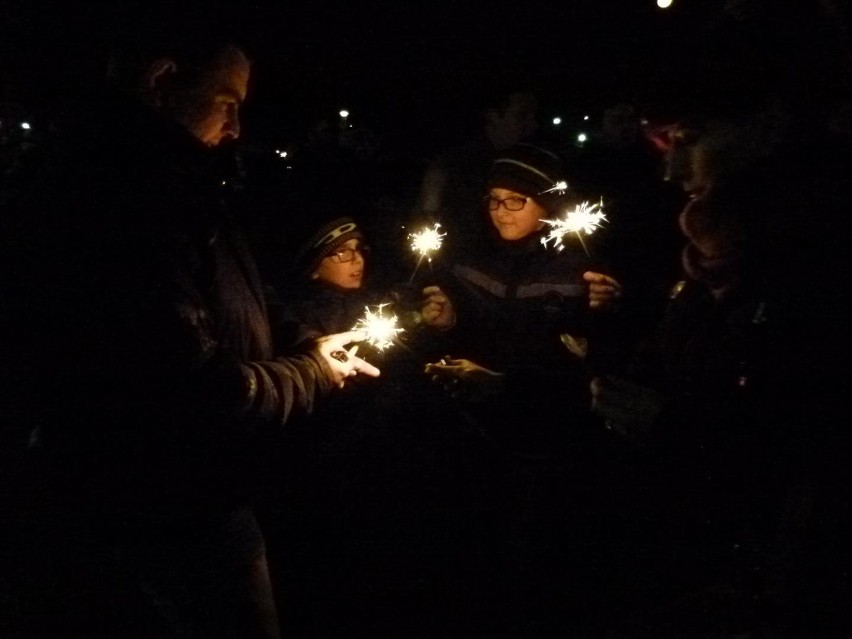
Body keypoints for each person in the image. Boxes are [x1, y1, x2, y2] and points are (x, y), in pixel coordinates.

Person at [0, 26, 378, 639]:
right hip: (165, 508)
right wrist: (312, 373)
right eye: (227, 104)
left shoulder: (176, 182)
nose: (236, 130)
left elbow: (229, 291)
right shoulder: (115, 197)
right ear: (162, 81)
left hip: (202, 493)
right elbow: (185, 390)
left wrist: (301, 339)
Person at [588, 4, 852, 633]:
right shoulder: (717, 261)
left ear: (769, 123)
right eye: (663, 142)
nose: (671, 170)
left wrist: (674, 427)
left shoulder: (820, 261)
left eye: (687, 140)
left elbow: (811, 458)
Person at [418, 142, 621, 635]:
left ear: (545, 204)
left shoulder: (579, 270)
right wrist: (444, 323)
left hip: (543, 446)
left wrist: (611, 314)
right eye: (494, 198)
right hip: (474, 436)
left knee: (533, 565)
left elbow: (589, 365)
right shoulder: (469, 259)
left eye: (517, 200)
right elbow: (463, 329)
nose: (501, 211)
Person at [411, 90, 540, 256]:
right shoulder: (458, 167)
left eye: (533, 116)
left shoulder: (525, 163)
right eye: (521, 116)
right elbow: (428, 220)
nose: (533, 125)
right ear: (493, 117)